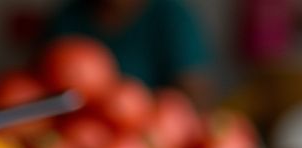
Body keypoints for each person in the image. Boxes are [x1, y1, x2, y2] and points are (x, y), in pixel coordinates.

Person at [46, 0, 215, 106]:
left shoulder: (170, 15)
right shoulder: (67, 18)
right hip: (80, 137)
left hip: (150, 139)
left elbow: (196, 95)